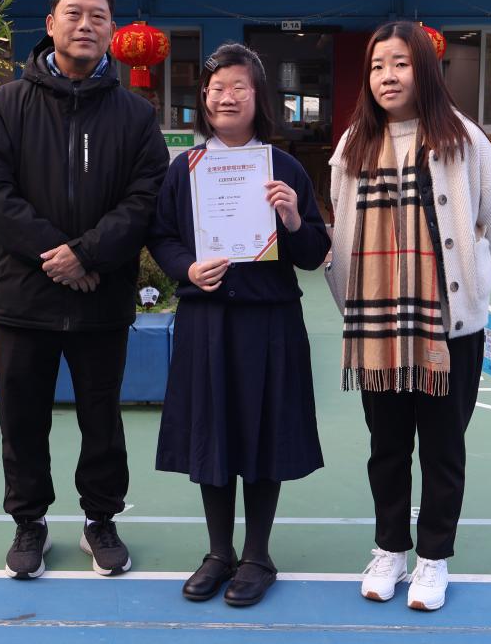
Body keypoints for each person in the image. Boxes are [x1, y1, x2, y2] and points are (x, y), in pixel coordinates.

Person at [0, 0, 170, 581]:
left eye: (98, 16)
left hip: (100, 295)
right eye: (74, 13)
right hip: (23, 296)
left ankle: (100, 519)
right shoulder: (5, 105)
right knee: (22, 418)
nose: (86, 25)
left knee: (101, 418)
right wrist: (57, 256)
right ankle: (28, 522)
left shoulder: (136, 115)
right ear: (50, 24)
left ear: (112, 30)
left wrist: (87, 255)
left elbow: (145, 197)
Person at [325, 21, 491, 611]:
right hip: (376, 324)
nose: (387, 76)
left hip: (447, 326)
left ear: (425, 70)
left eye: (401, 63)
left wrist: (471, 286)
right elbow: (342, 225)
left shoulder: (463, 139)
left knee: (441, 448)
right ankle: (390, 549)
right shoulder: (353, 144)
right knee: (386, 447)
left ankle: (434, 557)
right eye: (377, 65)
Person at [147, 43, 330, 607]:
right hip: (207, 320)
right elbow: (162, 236)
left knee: (264, 433)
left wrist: (293, 218)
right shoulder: (186, 168)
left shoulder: (284, 168)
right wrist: (186, 268)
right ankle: (218, 552)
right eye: (216, 89)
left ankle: (257, 555)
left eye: (239, 88)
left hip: (270, 322)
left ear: (258, 97)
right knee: (214, 431)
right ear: (204, 98)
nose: (226, 98)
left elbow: (313, 251)